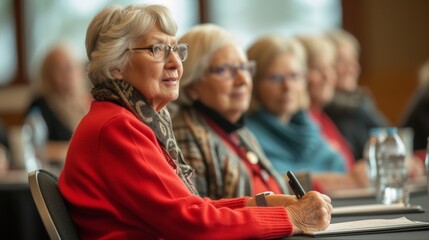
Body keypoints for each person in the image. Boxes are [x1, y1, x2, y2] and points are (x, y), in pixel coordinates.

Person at [59, 4, 332, 239]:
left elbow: (191, 207)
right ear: (116, 66)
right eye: (158, 49)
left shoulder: (128, 120)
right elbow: (191, 223)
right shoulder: (117, 127)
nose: (176, 63)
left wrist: (262, 203)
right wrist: (291, 218)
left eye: (176, 49)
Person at [172, 24, 288, 199]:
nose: (242, 80)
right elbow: (198, 213)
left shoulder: (241, 132)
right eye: (224, 70)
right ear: (191, 85)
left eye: (244, 68)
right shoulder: (186, 134)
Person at [245, 35, 366, 193]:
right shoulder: (246, 135)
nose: (287, 86)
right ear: (254, 83)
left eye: (294, 76)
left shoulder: (309, 125)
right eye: (275, 77)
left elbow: (340, 166)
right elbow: (265, 187)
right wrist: (337, 181)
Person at [323, 29, 389, 160]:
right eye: (342, 61)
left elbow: (390, 140)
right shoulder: (324, 111)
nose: (352, 67)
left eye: (354, 59)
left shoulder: (362, 103)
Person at [26, 44, 90, 167]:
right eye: (62, 68)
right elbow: (32, 147)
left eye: (73, 66)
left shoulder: (90, 102)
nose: (69, 73)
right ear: (48, 74)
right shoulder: (40, 105)